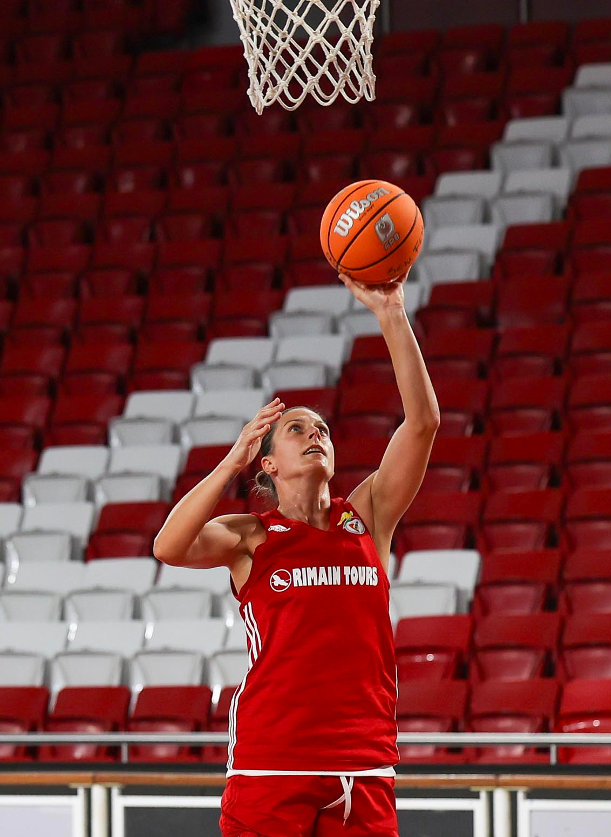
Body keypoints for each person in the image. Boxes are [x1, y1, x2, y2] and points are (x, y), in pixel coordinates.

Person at [153, 270, 440, 837]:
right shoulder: (250, 536)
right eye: (295, 429)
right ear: (267, 464)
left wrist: (390, 312)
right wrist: (230, 461)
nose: (316, 434)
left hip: (363, 762)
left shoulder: (368, 515)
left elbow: (424, 423)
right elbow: (169, 546)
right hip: (271, 761)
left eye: (323, 430)